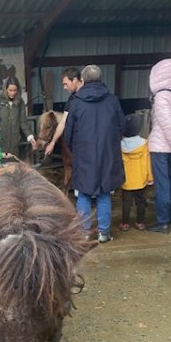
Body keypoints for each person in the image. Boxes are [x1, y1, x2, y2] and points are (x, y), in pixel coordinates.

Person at [65, 64, 125, 242]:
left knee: (83, 193)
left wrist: (75, 150)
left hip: (84, 155)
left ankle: (84, 233)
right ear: (100, 79)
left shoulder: (76, 102)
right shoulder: (112, 100)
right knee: (104, 193)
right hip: (107, 154)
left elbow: (69, 132)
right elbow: (122, 126)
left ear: (82, 80)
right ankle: (104, 233)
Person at [146, 58, 171, 233]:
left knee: (162, 185)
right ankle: (170, 216)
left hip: (161, 148)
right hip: (170, 148)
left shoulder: (162, 97)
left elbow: (168, 124)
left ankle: (162, 221)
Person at [120, 114, 153, 231]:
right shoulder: (145, 144)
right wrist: (150, 178)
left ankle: (125, 224)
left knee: (126, 203)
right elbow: (148, 162)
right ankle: (140, 222)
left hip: (126, 181)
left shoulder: (120, 145)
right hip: (141, 180)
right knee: (141, 202)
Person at [0, 76, 37, 158]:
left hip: (15, 144)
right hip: (0, 142)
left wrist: (30, 137)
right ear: (5, 89)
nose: (12, 93)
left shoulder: (20, 103)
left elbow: (23, 122)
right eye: (10, 90)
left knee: (13, 164)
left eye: (15, 90)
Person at [45, 67, 83, 156]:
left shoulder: (87, 97)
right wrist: (52, 142)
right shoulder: (71, 100)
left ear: (74, 80)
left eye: (66, 84)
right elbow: (63, 123)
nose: (64, 88)